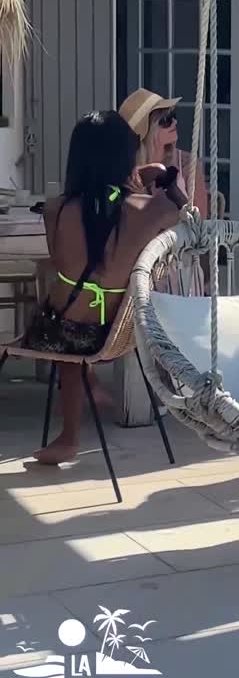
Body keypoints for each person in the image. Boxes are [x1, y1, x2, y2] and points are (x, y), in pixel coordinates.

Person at [23, 111, 188, 464]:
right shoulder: (152, 209)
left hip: (60, 337)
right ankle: (90, 386)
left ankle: (69, 434)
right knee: (79, 324)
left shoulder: (56, 209)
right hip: (121, 333)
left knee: (62, 318)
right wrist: (162, 178)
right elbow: (191, 220)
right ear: (126, 158)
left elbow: (60, 261)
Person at [118, 88, 210, 217]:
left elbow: (201, 223)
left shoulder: (187, 164)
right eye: (166, 120)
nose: (175, 122)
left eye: (173, 116)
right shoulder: (126, 172)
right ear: (147, 132)